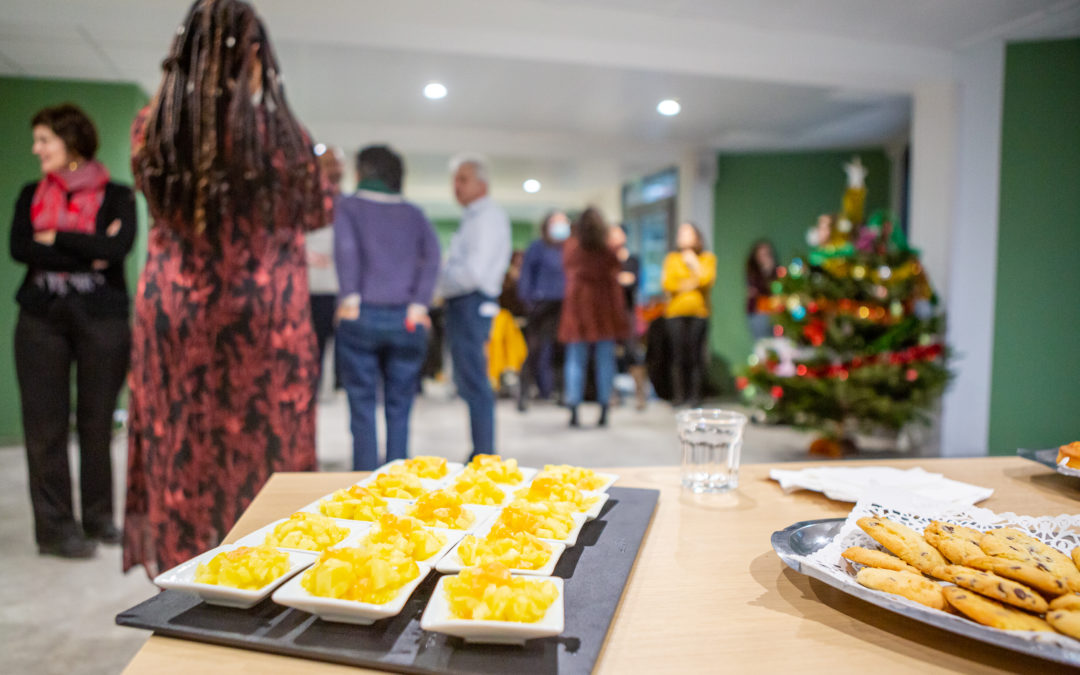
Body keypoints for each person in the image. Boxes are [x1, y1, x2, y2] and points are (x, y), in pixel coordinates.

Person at [124, 0, 331, 576]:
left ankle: (185, 583)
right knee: (269, 458)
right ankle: (267, 582)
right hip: (266, 318)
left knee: (180, 453)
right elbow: (315, 211)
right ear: (257, 57)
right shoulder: (285, 137)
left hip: (175, 313)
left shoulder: (155, 126)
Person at [9, 104, 136, 558]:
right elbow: (20, 248)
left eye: (45, 140)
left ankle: (99, 518)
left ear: (72, 143)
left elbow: (118, 248)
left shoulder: (118, 195)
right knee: (45, 427)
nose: (36, 148)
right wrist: (90, 253)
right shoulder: (31, 194)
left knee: (98, 422)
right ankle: (56, 529)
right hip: (40, 320)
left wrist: (55, 238)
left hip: (102, 320)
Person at [334, 145, 440, 470]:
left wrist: (350, 297)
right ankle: (396, 477)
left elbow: (346, 249)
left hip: (361, 314)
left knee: (362, 403)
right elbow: (433, 257)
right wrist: (419, 305)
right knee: (400, 403)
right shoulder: (414, 213)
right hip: (406, 319)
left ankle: (365, 478)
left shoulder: (348, 207)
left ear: (362, 171)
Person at [438, 155, 511, 458]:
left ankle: (484, 455)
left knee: (476, 383)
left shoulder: (488, 217)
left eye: (463, 179)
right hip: (463, 302)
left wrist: (437, 284)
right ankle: (481, 452)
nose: (457, 186)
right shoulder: (472, 217)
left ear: (482, 183)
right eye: (455, 179)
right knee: (468, 382)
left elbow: (473, 274)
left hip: (472, 302)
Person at [558, 208, 628, 428]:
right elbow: (614, 275)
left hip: (578, 308)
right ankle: (604, 407)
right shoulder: (607, 250)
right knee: (605, 360)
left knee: (575, 360)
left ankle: (574, 408)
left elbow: (568, 270)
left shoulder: (571, 248)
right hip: (602, 309)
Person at [516, 211, 570, 411]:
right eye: (557, 223)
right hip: (541, 305)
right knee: (535, 350)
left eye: (564, 223)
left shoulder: (568, 248)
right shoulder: (537, 247)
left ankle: (560, 392)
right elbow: (525, 277)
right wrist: (529, 302)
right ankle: (524, 394)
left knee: (560, 351)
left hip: (564, 306)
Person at [660, 222, 716, 408]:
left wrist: (694, 265)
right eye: (680, 232)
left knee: (696, 356)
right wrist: (691, 284)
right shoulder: (672, 258)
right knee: (677, 356)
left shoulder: (707, 258)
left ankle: (695, 397)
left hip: (699, 314)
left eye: (687, 232)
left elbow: (707, 280)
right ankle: (678, 396)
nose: (682, 235)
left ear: (697, 237)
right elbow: (668, 284)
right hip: (675, 314)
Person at [307, 146, 344, 395]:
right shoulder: (304, 202)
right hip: (315, 288)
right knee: (314, 348)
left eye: (336, 163)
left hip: (343, 291)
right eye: (327, 162)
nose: (333, 168)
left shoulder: (349, 205)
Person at [609, 224, 648, 410]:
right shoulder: (606, 260)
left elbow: (632, 282)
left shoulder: (633, 260)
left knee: (633, 352)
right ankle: (611, 394)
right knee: (610, 354)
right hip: (609, 314)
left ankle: (641, 395)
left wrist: (616, 279)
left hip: (628, 313)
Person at [745, 239, 777, 341]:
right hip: (757, 313)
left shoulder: (776, 272)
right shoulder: (752, 272)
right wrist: (766, 273)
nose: (765, 257)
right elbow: (756, 289)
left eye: (767, 254)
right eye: (761, 254)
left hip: (774, 312)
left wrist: (770, 271)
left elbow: (775, 289)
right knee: (761, 344)